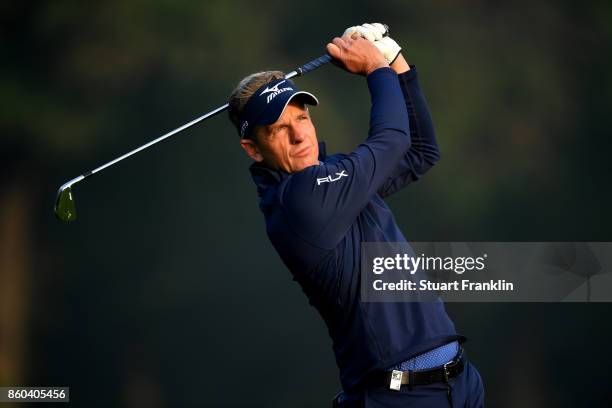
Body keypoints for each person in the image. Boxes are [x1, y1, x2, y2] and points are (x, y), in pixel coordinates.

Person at [227, 23, 485, 407]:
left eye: (302, 118)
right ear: (253, 149)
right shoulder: (299, 201)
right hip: (400, 397)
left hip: (459, 384)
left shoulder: (330, 180)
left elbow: (419, 152)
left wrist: (397, 63)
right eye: (280, 129)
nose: (300, 136)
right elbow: (393, 139)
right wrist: (376, 70)